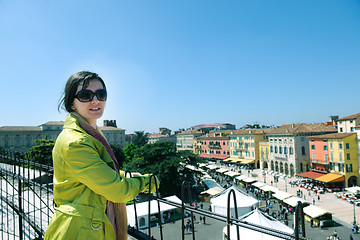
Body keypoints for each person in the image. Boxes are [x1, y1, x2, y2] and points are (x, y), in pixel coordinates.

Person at [44, 71, 158, 240]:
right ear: (72, 103)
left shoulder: (89, 133)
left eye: (101, 94)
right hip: (80, 231)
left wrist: (125, 176)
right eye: (85, 95)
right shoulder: (76, 142)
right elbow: (117, 190)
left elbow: (95, 172)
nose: (95, 100)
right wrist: (146, 183)